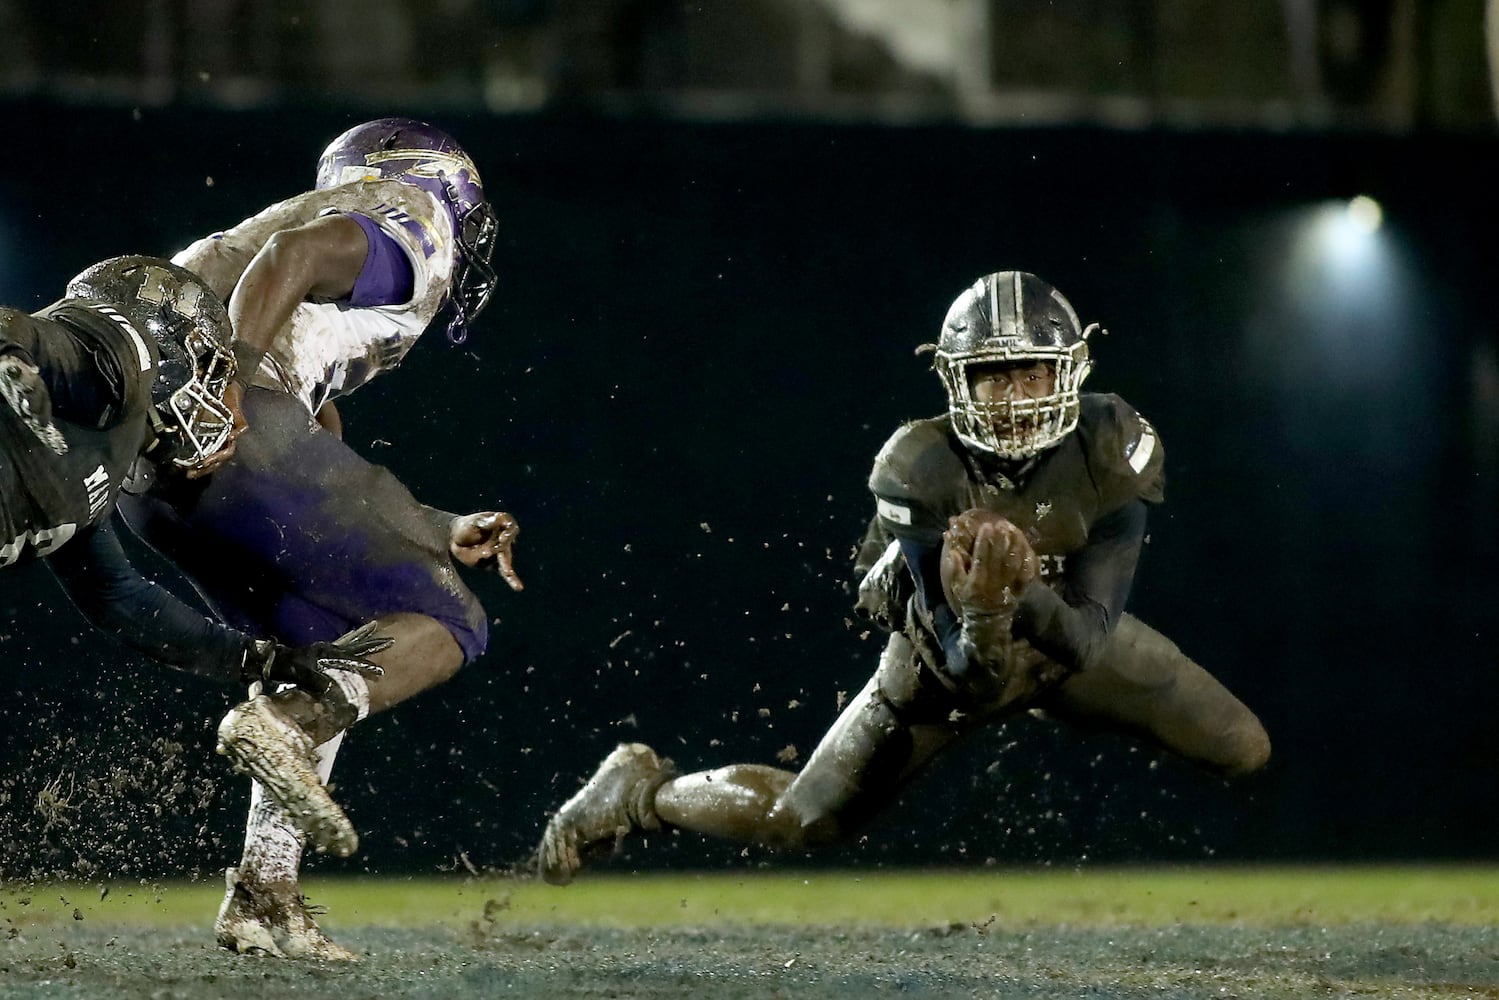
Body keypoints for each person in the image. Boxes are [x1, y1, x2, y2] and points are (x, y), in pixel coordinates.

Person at [536, 270, 1271, 882]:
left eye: (1031, 371)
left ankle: (1046, 695)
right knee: (803, 819)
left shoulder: (1111, 439)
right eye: (993, 376)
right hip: (938, 661)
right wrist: (984, 610)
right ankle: (640, 791)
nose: (1016, 397)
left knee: (1244, 747)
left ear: (1070, 371)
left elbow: (1083, 639)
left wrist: (1015, 590)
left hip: (1061, 636)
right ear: (956, 381)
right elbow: (969, 677)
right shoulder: (918, 466)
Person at [115, 119, 523, 961]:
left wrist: (438, 526)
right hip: (226, 430)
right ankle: (283, 725)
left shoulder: (276, 259)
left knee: (325, 652)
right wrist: (224, 389)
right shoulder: (408, 216)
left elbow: (315, 452)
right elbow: (294, 255)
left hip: (143, 485)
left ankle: (263, 893)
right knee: (452, 622)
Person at [1, 254, 389, 852]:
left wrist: (264, 660)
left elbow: (122, 601)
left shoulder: (107, 452)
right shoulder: (121, 361)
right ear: (168, 347)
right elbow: (28, 331)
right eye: (208, 369)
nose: (217, 395)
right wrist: (11, 356)